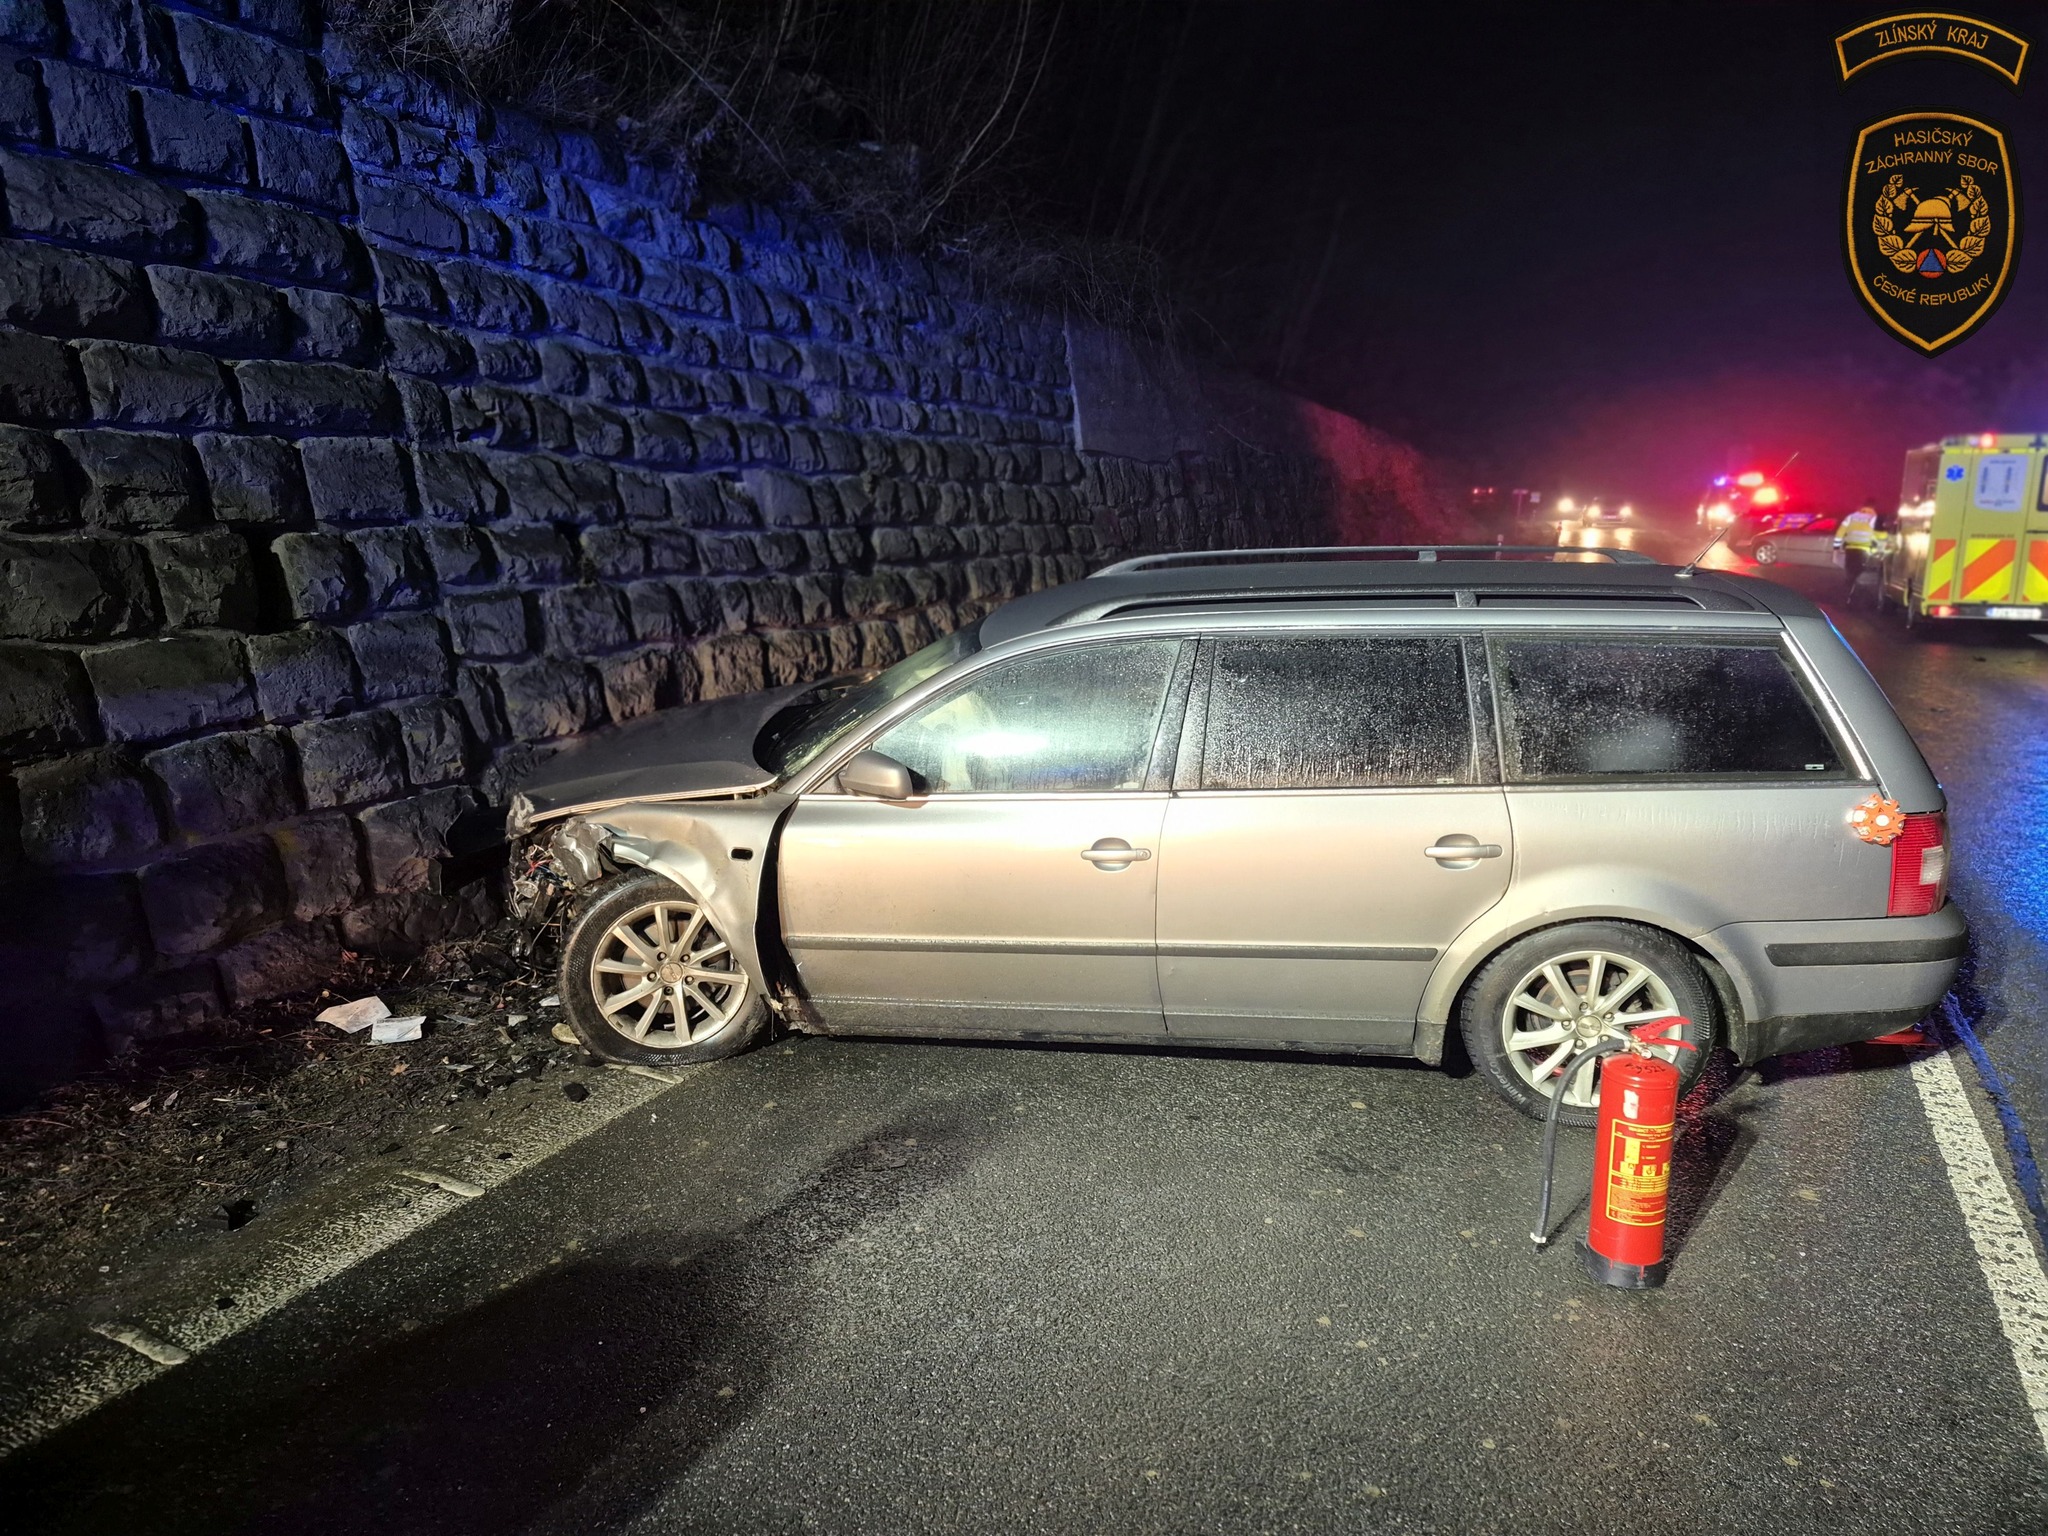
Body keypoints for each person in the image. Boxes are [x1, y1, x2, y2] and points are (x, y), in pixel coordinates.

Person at [1834, 499, 1880, 587]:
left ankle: (1848, 584)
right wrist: (1876, 545)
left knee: (1849, 567)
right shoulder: (1874, 517)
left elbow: (1840, 532)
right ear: (1873, 507)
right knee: (1859, 569)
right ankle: (1855, 585)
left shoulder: (1851, 517)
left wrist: (1836, 547)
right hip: (1864, 549)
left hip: (1850, 548)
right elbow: (1876, 533)